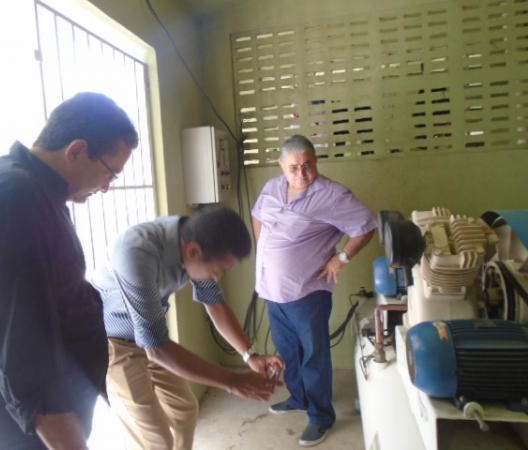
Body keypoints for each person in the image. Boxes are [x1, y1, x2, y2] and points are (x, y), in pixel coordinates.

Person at [0, 92, 138, 450]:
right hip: (8, 426)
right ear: (76, 150)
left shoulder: (34, 192)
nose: (107, 186)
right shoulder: (10, 198)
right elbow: (21, 350)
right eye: (110, 172)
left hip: (29, 418)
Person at [92, 205, 284, 450]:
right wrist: (233, 381)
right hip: (111, 343)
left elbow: (214, 304)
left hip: (149, 337)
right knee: (156, 439)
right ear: (193, 251)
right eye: (219, 270)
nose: (217, 277)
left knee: (184, 409)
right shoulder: (136, 254)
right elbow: (158, 349)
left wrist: (250, 355)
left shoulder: (191, 235)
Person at [252, 135, 377, 448]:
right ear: (282, 166)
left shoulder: (331, 195)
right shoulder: (272, 188)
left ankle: (321, 417)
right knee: (288, 351)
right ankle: (298, 397)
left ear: (316, 162)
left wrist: (342, 257)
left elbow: (367, 224)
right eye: (294, 167)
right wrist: (266, 250)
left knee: (314, 356)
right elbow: (257, 215)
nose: (302, 173)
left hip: (307, 292)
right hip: (272, 290)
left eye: (308, 165)